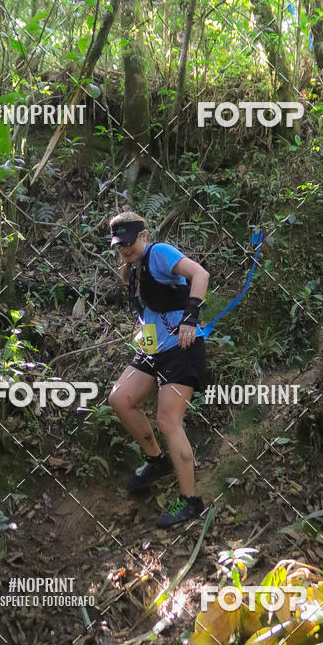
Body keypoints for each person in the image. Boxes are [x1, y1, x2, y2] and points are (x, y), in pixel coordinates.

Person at [108, 211, 209, 528]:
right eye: (119, 245)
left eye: (128, 243)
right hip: (154, 350)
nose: (124, 249)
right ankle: (156, 460)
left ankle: (192, 501)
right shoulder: (134, 271)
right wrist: (143, 331)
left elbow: (200, 274)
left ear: (143, 235)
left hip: (183, 348)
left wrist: (190, 317)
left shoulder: (159, 253)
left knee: (168, 420)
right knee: (120, 399)